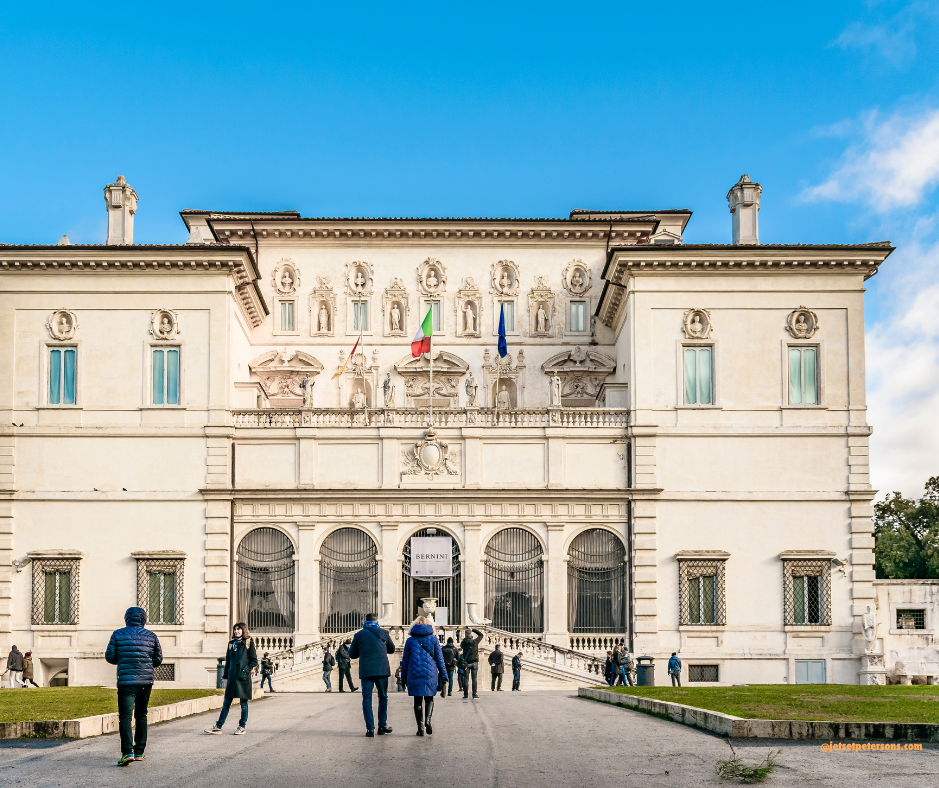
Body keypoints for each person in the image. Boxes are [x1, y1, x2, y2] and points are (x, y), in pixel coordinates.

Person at [104, 607, 163, 766]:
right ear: (143, 619)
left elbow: (110, 657)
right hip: (145, 682)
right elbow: (158, 659)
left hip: (126, 681)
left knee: (125, 716)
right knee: (141, 715)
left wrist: (123, 661)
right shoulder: (151, 636)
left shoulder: (118, 634)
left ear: (127, 618)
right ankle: (139, 752)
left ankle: (127, 752)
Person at [205, 622, 258, 737]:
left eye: (239, 629)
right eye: (235, 629)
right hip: (232, 678)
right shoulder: (231, 644)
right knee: (226, 703)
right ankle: (218, 726)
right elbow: (228, 661)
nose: (236, 631)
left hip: (243, 678)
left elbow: (254, 660)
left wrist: (245, 670)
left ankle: (242, 726)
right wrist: (225, 676)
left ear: (243, 630)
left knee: (243, 703)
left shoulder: (249, 642)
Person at [399, 616, 448, 737]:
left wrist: (403, 678)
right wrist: (444, 676)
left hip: (414, 672)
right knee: (429, 698)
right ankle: (427, 720)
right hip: (429, 673)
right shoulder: (433, 639)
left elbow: (405, 661)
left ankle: (420, 727)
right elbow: (440, 660)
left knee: (417, 700)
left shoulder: (410, 640)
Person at [348, 612, 396, 737]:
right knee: (383, 697)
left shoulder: (359, 634)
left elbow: (352, 654)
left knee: (367, 699)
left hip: (366, 670)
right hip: (382, 670)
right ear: (377, 622)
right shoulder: (384, 633)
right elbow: (392, 649)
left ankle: (370, 729)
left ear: (365, 622)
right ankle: (382, 726)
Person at [460, 628, 484, 699]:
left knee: (465, 679)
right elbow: (481, 635)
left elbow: (461, 647)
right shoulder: (475, 642)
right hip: (474, 662)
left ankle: (465, 695)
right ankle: (474, 694)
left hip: (466, 662)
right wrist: (473, 629)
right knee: (474, 679)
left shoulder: (463, 642)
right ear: (471, 635)